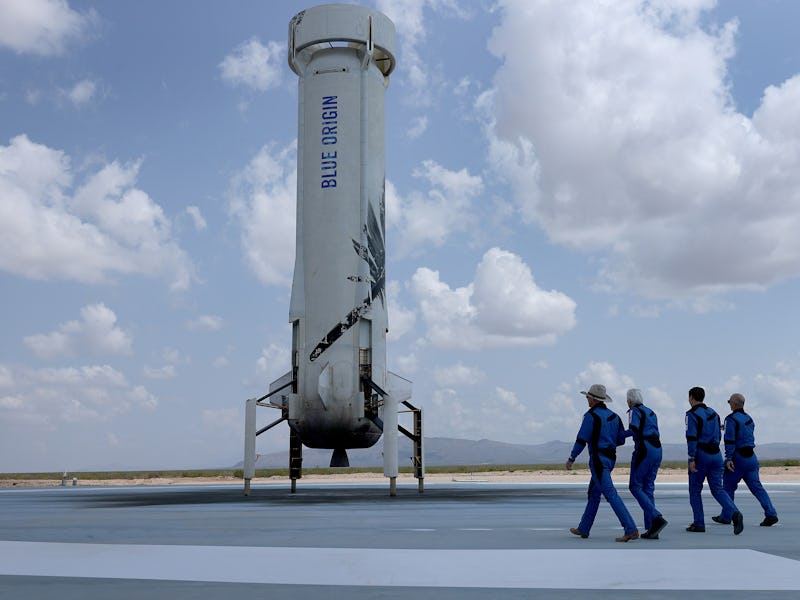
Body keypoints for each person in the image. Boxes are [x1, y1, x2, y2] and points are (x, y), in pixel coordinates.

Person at [566, 384, 639, 542]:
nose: (587, 400)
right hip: (610, 459)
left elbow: (581, 440)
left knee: (610, 494)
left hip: (598, 460)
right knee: (593, 493)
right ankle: (584, 528)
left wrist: (572, 458)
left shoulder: (591, 416)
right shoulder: (614, 417)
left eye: (588, 397)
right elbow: (620, 440)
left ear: (593, 399)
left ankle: (631, 529)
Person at [712, 393, 778, 527]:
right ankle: (771, 514)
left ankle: (726, 516)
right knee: (757, 488)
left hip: (738, 459)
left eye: (730, 402)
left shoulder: (731, 419)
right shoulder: (749, 419)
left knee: (728, 487)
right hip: (751, 459)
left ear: (735, 404)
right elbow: (744, 433)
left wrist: (728, 458)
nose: (729, 404)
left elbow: (730, 440)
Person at [685, 386, 743, 534]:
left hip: (701, 455)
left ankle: (699, 523)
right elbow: (719, 435)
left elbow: (691, 437)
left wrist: (691, 458)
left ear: (691, 397)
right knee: (718, 489)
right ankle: (734, 513)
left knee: (695, 490)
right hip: (716, 454)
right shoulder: (714, 414)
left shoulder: (691, 414)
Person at [624, 388, 668, 539]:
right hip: (657, 449)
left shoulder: (634, 411)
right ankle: (651, 528)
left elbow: (633, 430)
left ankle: (656, 517)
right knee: (648, 487)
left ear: (629, 401)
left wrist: (616, 437)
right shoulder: (651, 412)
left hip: (644, 450)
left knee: (635, 486)